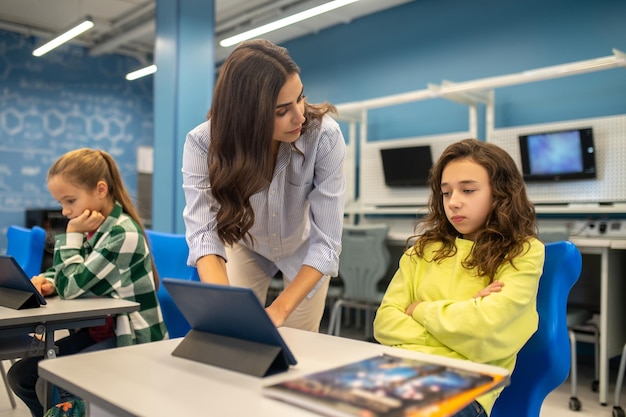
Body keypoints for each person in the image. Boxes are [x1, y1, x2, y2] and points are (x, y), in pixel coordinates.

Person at [182, 39, 346, 333]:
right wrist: (225, 308)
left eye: (300, 98)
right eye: (282, 111)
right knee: (232, 332)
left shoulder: (325, 137)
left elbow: (327, 244)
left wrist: (280, 309)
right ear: (246, 116)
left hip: (304, 249)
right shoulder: (202, 143)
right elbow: (204, 235)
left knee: (300, 344)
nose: (300, 116)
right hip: (246, 243)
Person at [373, 139, 545, 417]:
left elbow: (483, 332)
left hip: (465, 385)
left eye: (468, 190)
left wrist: (419, 310)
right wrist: (460, 323)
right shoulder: (423, 249)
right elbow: (384, 323)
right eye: (446, 192)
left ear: (500, 193)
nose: (453, 202)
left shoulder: (522, 252)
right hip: (398, 371)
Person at [8, 148, 167, 417]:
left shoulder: (121, 233)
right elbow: (69, 274)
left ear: (101, 190)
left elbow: (72, 287)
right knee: (21, 375)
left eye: (70, 200)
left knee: (46, 379)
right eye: (61, 202)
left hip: (131, 340)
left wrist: (71, 235)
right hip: (100, 332)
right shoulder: (96, 228)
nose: (65, 210)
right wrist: (49, 281)